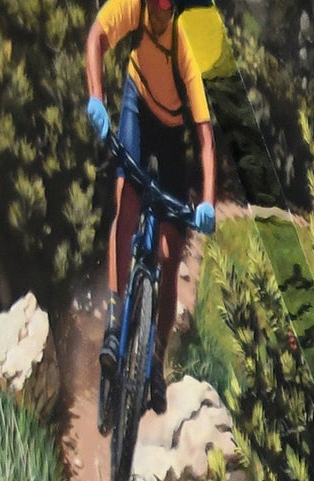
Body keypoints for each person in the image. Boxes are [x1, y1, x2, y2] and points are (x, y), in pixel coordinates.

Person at [83, 0, 222, 401]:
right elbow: (96, 37)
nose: (161, 9)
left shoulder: (186, 44)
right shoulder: (134, 5)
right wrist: (97, 97)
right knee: (127, 201)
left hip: (173, 129)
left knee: (172, 249)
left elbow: (205, 139)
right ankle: (114, 321)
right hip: (136, 103)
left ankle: (156, 360)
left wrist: (208, 201)